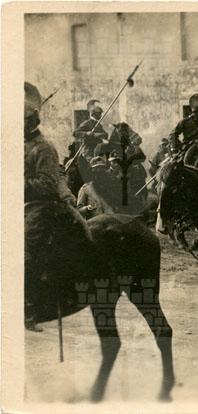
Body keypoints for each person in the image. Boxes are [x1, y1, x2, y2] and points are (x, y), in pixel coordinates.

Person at [24, 82, 92, 331]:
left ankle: (28, 307)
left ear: (32, 122)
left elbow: (47, 183)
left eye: (23, 121)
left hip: (38, 205)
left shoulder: (44, 147)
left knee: (24, 247)